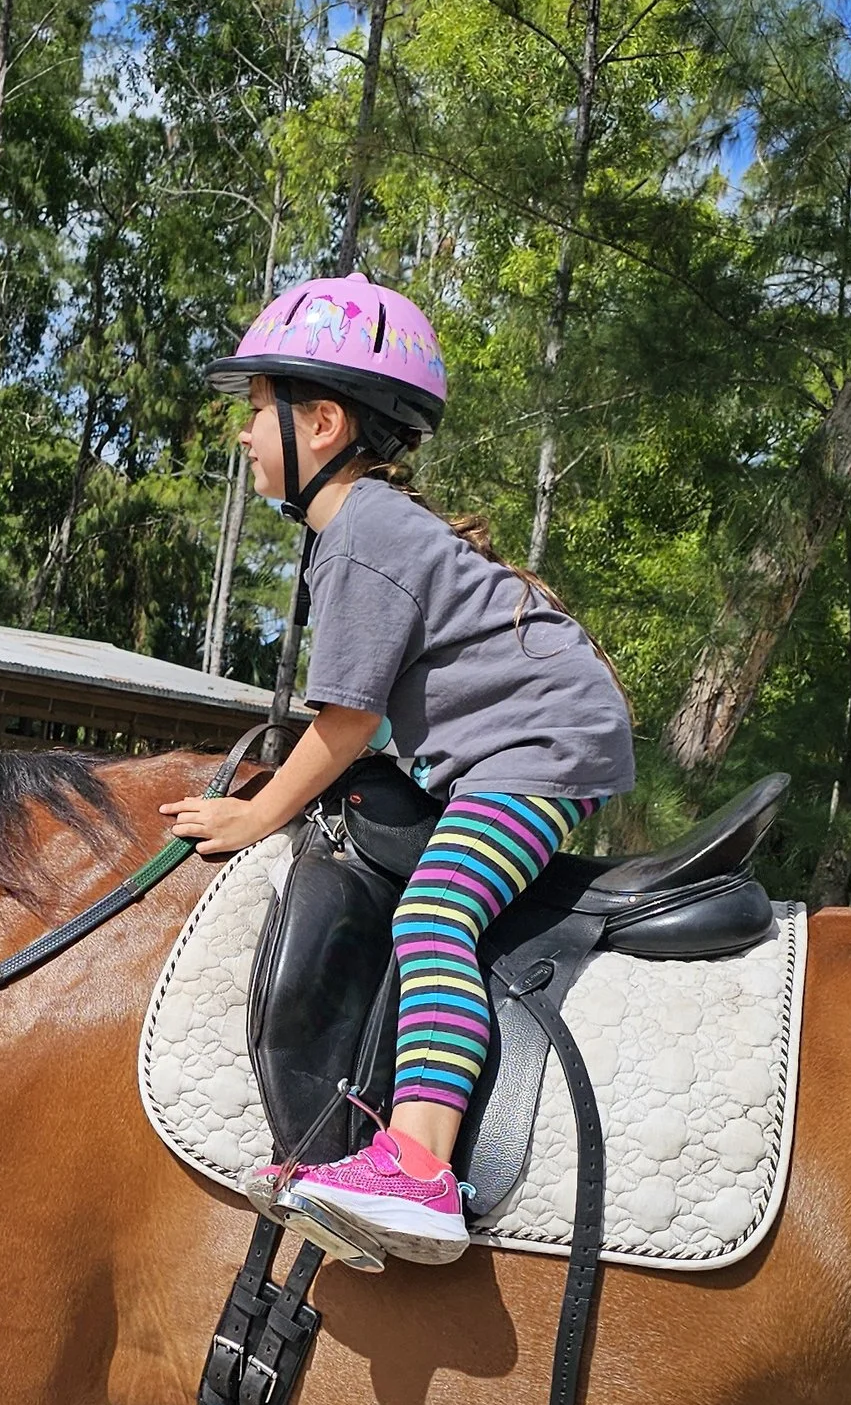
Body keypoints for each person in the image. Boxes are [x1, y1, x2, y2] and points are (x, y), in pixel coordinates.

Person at [163, 275, 635, 1267]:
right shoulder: (366, 527)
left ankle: (416, 1170)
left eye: (257, 412)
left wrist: (253, 819)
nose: (243, 435)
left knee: (432, 915)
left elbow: (345, 723)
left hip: (538, 749)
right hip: (528, 737)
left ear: (322, 422)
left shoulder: (363, 533)